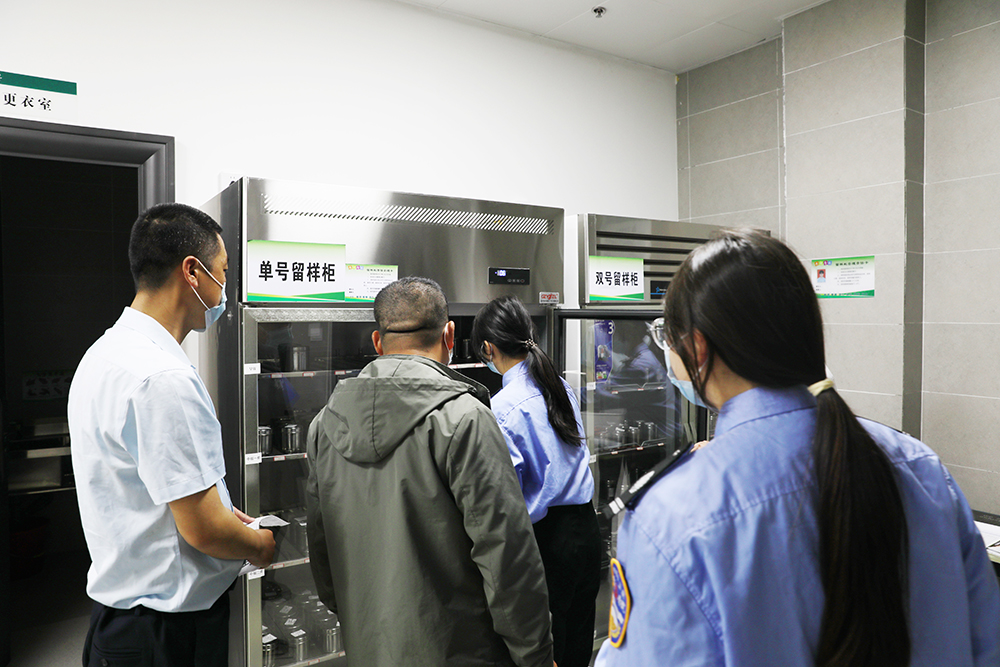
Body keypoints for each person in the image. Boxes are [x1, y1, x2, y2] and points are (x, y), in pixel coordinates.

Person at [595, 229, 1000, 667]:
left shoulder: (670, 516)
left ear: (696, 349)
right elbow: (986, 644)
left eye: (666, 337)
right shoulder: (920, 468)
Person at [305, 277, 553, 667]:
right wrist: (535, 653)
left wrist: (358, 617)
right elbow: (506, 554)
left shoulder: (323, 425)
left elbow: (321, 545)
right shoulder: (465, 419)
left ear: (377, 341)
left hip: (369, 646)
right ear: (449, 335)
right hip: (461, 649)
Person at [69, 203, 276, 667]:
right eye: (224, 271)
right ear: (193, 272)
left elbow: (145, 487)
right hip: (165, 634)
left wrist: (218, 509)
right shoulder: (162, 378)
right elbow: (204, 531)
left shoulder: (105, 353)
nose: (225, 288)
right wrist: (258, 545)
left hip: (121, 621)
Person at [471, 295, 602, 667]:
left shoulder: (502, 407)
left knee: (545, 651)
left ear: (488, 348)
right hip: (586, 531)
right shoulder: (560, 386)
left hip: (547, 543)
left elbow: (506, 491)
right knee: (577, 644)